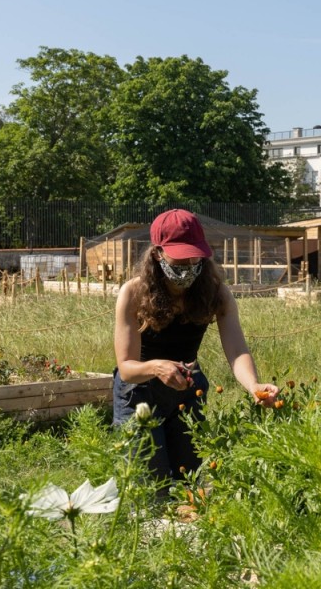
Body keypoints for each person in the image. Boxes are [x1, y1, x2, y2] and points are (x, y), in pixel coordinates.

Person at [113, 209, 279, 490]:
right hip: (139, 394)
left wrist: (253, 385)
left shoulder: (216, 293)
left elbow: (237, 350)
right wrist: (156, 367)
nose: (189, 265)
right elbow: (127, 368)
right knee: (150, 490)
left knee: (187, 484)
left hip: (188, 392)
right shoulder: (133, 293)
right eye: (180, 257)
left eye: (195, 257)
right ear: (157, 254)